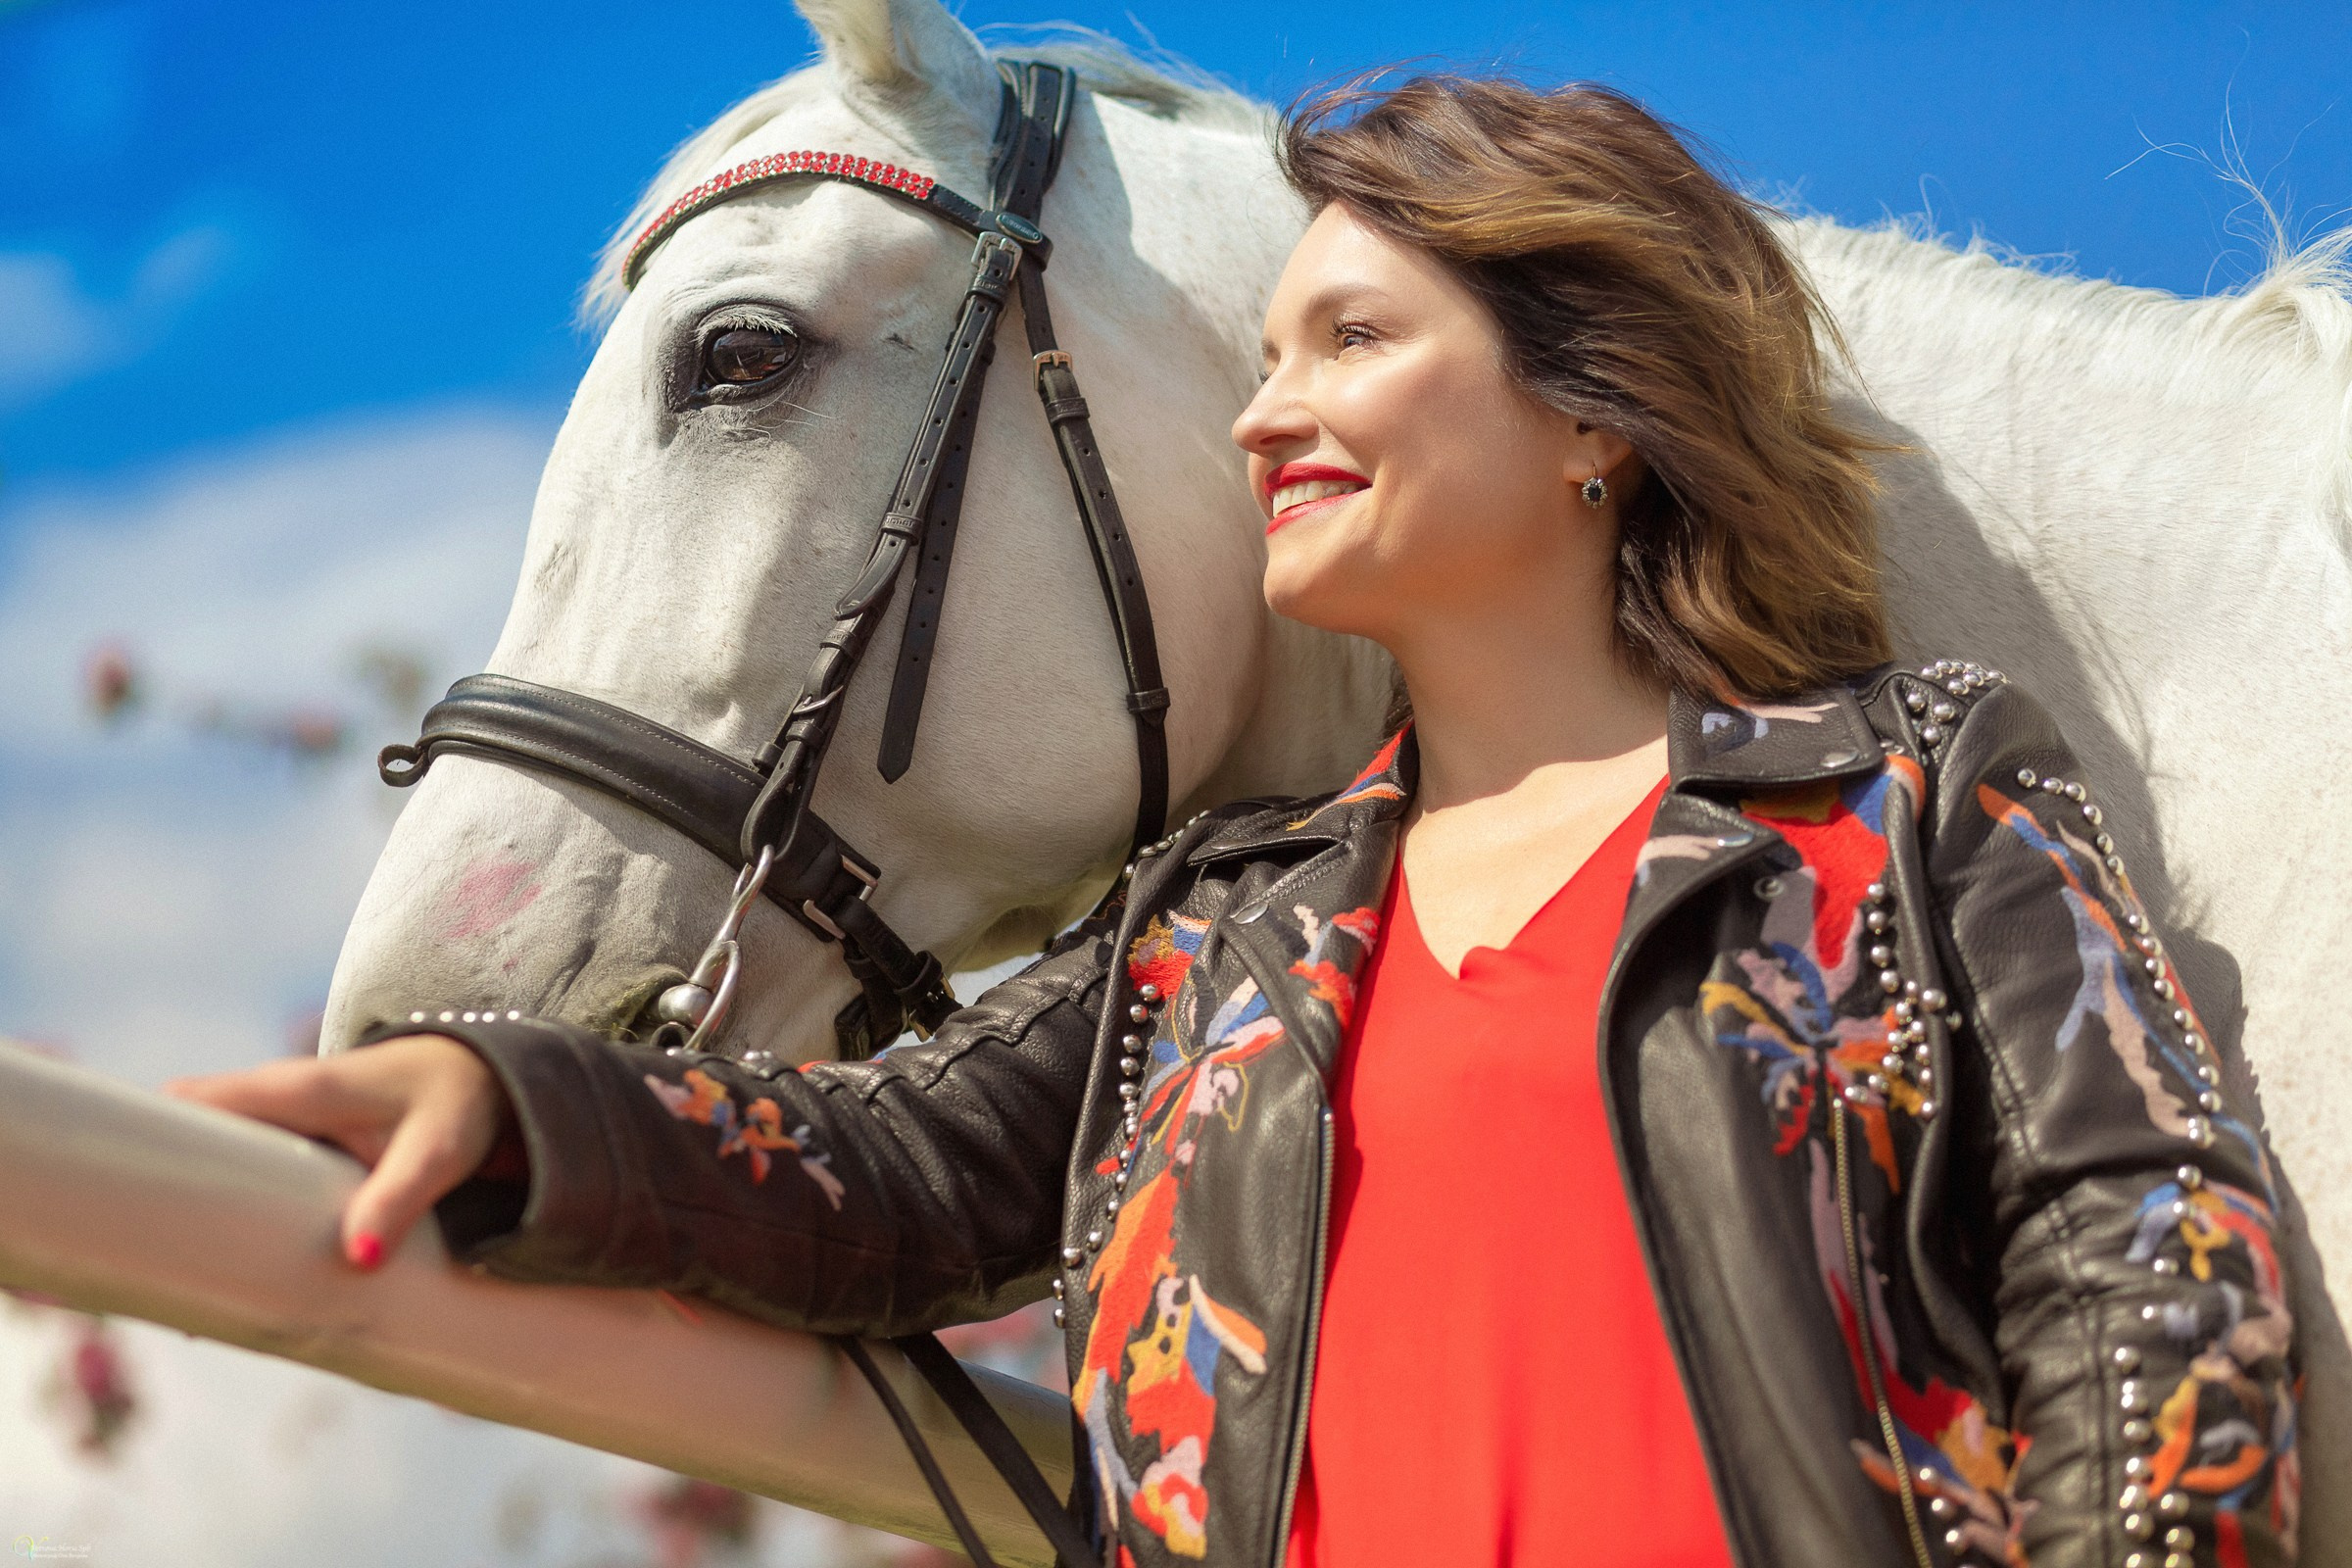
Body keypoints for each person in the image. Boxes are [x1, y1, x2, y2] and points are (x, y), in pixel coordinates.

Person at [169, 75, 2301, 1567]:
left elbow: (2152, 1268)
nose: (1266, 409)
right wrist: (519, 1099)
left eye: (1351, 340)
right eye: (1269, 349)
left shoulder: (1911, 794)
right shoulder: (1216, 930)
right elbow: (885, 1170)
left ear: (1593, 411)